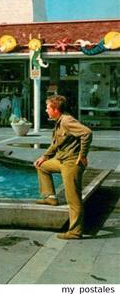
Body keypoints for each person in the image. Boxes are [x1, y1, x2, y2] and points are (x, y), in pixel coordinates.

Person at [34, 94, 92, 240]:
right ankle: (51, 197)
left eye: (48, 108)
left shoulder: (66, 120)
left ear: (55, 109)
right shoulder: (60, 121)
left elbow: (87, 133)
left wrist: (82, 155)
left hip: (72, 163)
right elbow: (56, 143)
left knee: (73, 199)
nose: (46, 110)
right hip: (61, 160)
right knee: (42, 166)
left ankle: (75, 232)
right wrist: (45, 157)